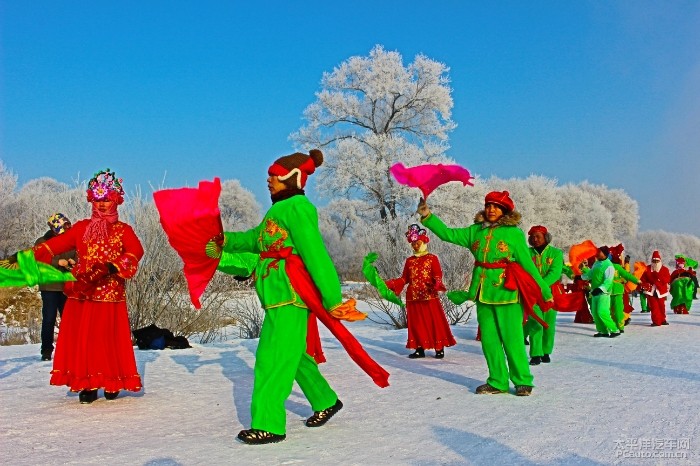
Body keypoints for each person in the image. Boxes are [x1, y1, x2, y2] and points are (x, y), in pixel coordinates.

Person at [212, 149, 385, 444]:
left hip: (290, 294)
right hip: (277, 295)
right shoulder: (277, 210)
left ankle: (269, 423)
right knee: (293, 355)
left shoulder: (298, 208)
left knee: (272, 358)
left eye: (274, 176)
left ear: (292, 178)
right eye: (269, 175)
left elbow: (316, 255)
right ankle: (325, 399)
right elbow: (255, 239)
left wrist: (332, 299)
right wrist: (225, 241)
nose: (268, 180)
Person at [417, 191, 553, 396]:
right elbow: (448, 234)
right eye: (489, 205)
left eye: (497, 207)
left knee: (513, 339)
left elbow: (527, 264)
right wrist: (428, 216)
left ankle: (523, 380)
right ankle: (497, 381)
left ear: (505, 211)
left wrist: (543, 289)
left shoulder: (513, 234)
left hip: (508, 293)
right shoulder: (475, 231)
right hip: (482, 293)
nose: (492, 209)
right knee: (489, 340)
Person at [32, 169, 144, 403]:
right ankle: (87, 383)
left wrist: (111, 267)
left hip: (109, 293)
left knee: (107, 339)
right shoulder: (81, 228)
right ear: (91, 201)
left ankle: (112, 381)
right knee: (85, 340)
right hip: (82, 293)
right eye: (98, 200)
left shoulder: (123, 230)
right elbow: (54, 245)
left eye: (107, 200)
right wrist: (28, 256)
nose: (102, 205)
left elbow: (136, 252)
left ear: (116, 201)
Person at [385, 224, 456, 359]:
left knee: (434, 321)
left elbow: (437, 274)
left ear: (423, 241)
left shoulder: (432, 258)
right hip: (413, 297)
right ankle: (419, 348)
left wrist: (436, 283)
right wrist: (390, 284)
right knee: (416, 324)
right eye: (413, 244)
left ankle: (439, 347)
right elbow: (404, 278)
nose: (415, 246)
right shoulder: (409, 261)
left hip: (429, 295)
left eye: (417, 242)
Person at [34, 213, 77, 361]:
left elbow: (77, 254)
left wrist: (73, 261)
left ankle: (69, 349)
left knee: (69, 319)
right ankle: (46, 349)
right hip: (50, 286)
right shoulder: (42, 241)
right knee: (49, 319)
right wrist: (58, 262)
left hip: (67, 286)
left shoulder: (71, 240)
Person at [523, 225, 563, 365]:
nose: (535, 239)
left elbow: (555, 273)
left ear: (546, 237)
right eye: (532, 237)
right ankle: (535, 354)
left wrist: (539, 286)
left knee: (549, 324)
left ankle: (546, 351)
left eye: (538, 236)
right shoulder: (527, 253)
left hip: (552, 293)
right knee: (536, 322)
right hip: (532, 294)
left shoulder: (556, 253)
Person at [581, 246, 619, 338]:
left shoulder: (609, 266)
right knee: (594, 312)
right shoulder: (596, 263)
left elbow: (608, 281)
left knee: (602, 311)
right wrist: (581, 276)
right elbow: (590, 274)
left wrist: (600, 289)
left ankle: (614, 329)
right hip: (594, 292)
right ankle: (603, 331)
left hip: (603, 293)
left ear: (605, 254)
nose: (597, 253)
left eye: (599, 252)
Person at [608, 245, 639, 333]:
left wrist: (627, 263)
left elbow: (626, 274)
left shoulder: (618, 267)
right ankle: (616, 323)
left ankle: (622, 321)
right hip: (611, 291)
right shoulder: (609, 266)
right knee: (614, 308)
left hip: (620, 290)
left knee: (621, 306)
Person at [639, 250, 671, 327]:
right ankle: (656, 321)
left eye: (657, 261)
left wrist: (658, 278)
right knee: (654, 307)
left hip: (661, 291)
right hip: (651, 291)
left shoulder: (664, 269)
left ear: (660, 261)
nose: (655, 262)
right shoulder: (647, 269)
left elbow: (667, 279)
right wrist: (644, 284)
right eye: (654, 261)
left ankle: (663, 320)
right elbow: (643, 279)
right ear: (652, 261)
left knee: (661, 306)